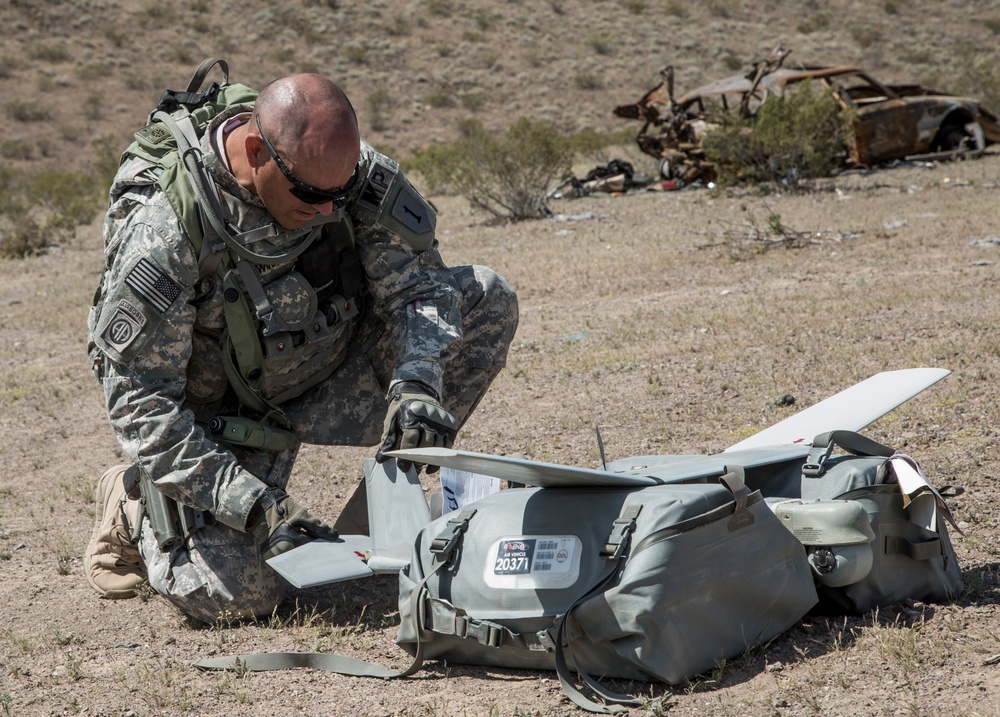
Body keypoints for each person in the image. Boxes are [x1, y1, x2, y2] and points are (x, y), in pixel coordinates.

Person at [84, 71, 518, 623]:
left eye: (340, 193)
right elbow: (142, 403)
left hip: (327, 371)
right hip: (226, 420)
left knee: (485, 298)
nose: (328, 210)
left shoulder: (337, 172)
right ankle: (132, 502)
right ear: (256, 150)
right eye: (311, 195)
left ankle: (383, 519)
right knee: (236, 596)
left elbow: (419, 284)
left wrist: (417, 380)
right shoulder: (168, 233)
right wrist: (257, 506)